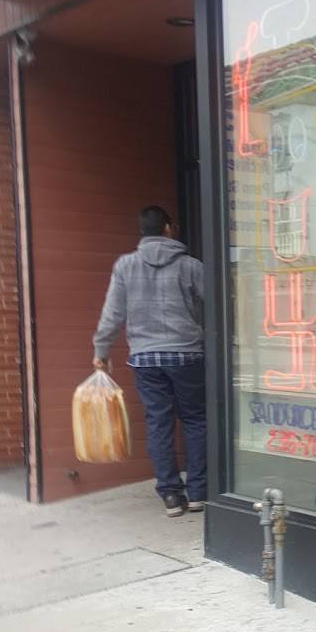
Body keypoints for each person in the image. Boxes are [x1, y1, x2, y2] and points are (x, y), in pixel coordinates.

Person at [93, 206, 206, 517]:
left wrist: (101, 350)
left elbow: (113, 313)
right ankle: (198, 492)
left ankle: (170, 495)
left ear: (142, 232)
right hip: (187, 354)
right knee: (195, 420)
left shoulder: (125, 266)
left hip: (145, 358)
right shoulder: (190, 266)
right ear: (168, 228)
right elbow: (219, 301)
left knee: (159, 423)